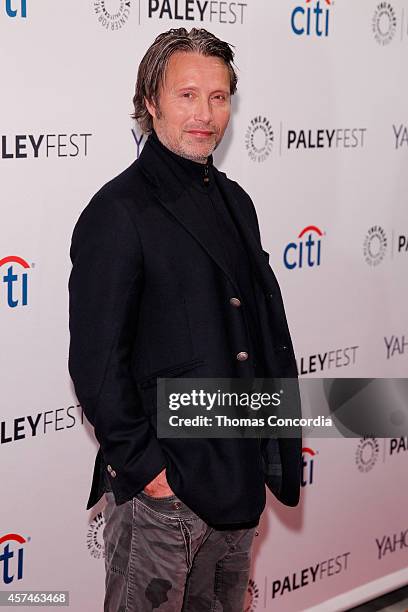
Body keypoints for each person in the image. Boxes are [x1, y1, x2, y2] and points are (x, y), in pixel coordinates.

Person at [68, 27, 302, 612]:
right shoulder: (117, 212)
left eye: (219, 97)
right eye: (187, 95)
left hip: (238, 479)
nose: (206, 114)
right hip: (164, 498)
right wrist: (151, 474)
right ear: (151, 101)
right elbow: (96, 366)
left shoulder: (235, 199)